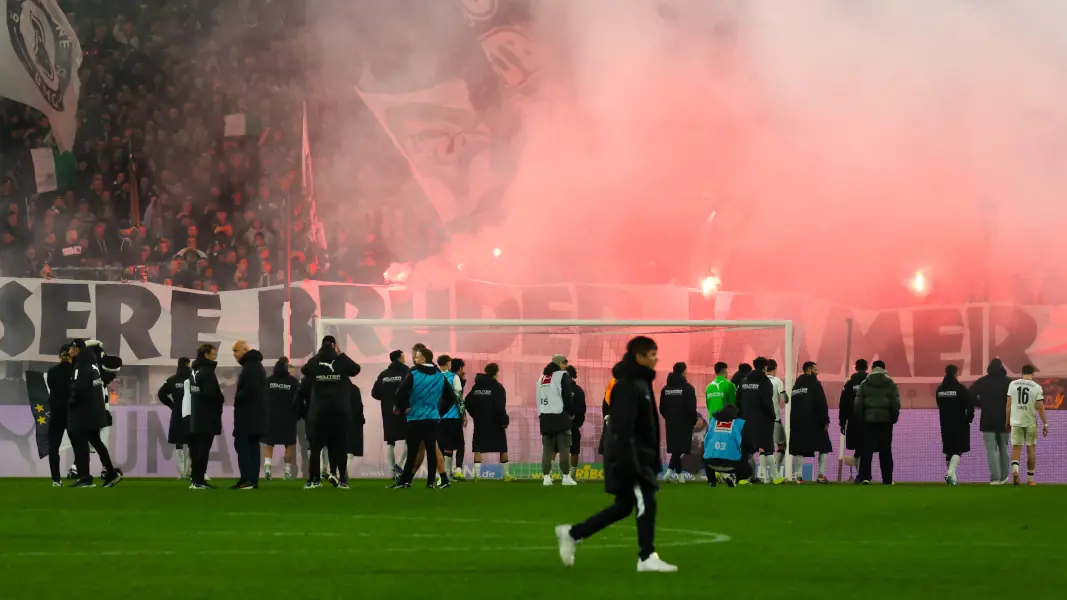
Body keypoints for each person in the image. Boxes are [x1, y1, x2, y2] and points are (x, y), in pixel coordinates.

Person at [555, 336, 677, 573]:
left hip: (639, 457)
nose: (656, 358)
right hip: (631, 458)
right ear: (640, 357)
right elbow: (622, 429)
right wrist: (632, 462)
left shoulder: (641, 383)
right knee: (646, 501)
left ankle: (572, 533)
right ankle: (646, 556)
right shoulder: (626, 385)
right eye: (652, 354)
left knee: (624, 506)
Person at [301, 335, 360, 489]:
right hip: (340, 411)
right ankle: (343, 481)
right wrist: (342, 355)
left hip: (320, 412)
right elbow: (356, 369)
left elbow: (305, 370)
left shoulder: (314, 362)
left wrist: (318, 358)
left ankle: (314, 480)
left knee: (316, 447)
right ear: (335, 346)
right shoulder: (341, 361)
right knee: (340, 447)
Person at [392, 347, 455, 489]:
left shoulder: (414, 374)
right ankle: (430, 482)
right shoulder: (440, 376)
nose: (415, 359)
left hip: (415, 417)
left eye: (418, 357)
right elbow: (451, 398)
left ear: (424, 359)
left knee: (413, 451)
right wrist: (440, 412)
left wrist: (403, 408)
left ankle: (405, 481)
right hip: (432, 418)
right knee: (431, 450)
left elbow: (399, 393)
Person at [68, 339, 123, 488]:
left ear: (78, 349)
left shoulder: (81, 365)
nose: (69, 351)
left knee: (79, 441)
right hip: (95, 410)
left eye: (71, 348)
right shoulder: (93, 365)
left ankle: (85, 476)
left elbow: (78, 389)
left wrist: (68, 403)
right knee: (95, 441)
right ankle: (111, 473)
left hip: (83, 411)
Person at [854, 360, 900, 485]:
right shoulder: (890, 383)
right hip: (886, 421)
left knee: (866, 450)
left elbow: (858, 403)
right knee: (885, 450)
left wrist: (861, 419)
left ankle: (865, 477)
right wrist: (894, 418)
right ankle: (887, 480)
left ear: (872, 368)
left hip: (869, 420)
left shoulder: (865, 383)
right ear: (884, 369)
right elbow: (895, 402)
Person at [969, 358, 1013, 485]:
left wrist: (981, 404)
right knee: (1004, 449)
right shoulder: (1009, 382)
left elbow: (970, 394)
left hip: (987, 419)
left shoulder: (983, 381)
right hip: (1005, 420)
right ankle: (1004, 478)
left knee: (991, 450)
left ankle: (995, 478)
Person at [467, 363, 512, 480]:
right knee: (502, 448)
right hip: (495, 423)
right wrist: (504, 421)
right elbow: (500, 407)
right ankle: (506, 475)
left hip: (480, 423)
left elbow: (467, 402)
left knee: (478, 448)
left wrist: (475, 415)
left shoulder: (476, 387)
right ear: (496, 373)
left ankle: (477, 476)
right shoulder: (498, 388)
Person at [788, 362, 832, 484]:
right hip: (815, 421)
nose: (817, 372)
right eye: (815, 369)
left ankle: (798, 477)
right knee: (824, 447)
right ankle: (821, 475)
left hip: (797, 422)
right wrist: (825, 420)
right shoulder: (815, 384)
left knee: (799, 449)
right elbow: (821, 403)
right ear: (809, 370)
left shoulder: (796, 386)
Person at [232, 340, 267, 489]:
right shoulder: (255, 364)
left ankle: (247, 479)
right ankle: (250, 479)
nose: (234, 354)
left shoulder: (251, 366)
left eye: (236, 351)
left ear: (245, 350)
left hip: (248, 414)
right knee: (252, 446)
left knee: (243, 445)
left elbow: (250, 389)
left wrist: (238, 398)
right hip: (255, 414)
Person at [1006, 365, 1048, 486]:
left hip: (1016, 421)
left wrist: (1007, 421)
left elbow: (1008, 404)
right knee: (1031, 448)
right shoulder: (1037, 387)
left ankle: (1015, 471)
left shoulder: (1013, 384)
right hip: (1030, 421)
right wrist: (1045, 423)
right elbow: (1040, 406)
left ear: (1022, 373)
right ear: (1033, 373)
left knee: (1017, 448)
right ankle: (1030, 479)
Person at [537, 354, 576, 486]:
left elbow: (538, 397)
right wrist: (570, 413)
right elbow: (567, 396)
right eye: (564, 363)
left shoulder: (541, 378)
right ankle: (565, 477)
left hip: (545, 416)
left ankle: (546, 478)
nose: (566, 366)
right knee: (564, 446)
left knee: (547, 449)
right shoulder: (562, 376)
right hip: (560, 415)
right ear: (558, 364)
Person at [188, 344, 224, 490]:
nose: (215, 356)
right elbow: (211, 394)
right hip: (207, 416)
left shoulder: (194, 371)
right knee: (203, 450)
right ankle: (199, 481)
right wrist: (220, 398)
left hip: (196, 415)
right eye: (213, 353)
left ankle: (195, 480)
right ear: (206, 355)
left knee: (196, 450)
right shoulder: (208, 372)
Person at [371, 350, 409, 480]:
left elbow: (374, 393)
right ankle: (399, 464)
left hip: (387, 412)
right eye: (403, 356)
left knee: (390, 441)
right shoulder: (406, 372)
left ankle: (393, 472)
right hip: (405, 410)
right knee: (410, 438)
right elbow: (411, 389)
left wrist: (387, 399)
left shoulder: (384, 374)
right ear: (399, 358)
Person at [739, 357, 777, 483]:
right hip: (762, 421)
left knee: (746, 449)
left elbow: (738, 400)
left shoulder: (744, 381)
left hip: (745, 420)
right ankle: (773, 478)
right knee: (766, 447)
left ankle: (745, 477)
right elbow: (767, 403)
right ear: (765, 367)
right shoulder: (765, 382)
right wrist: (772, 416)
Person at [660, 362, 698, 483]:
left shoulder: (665, 389)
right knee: (680, 448)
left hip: (671, 423)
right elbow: (691, 408)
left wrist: (669, 417)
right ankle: (671, 473)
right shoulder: (688, 388)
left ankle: (677, 474)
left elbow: (662, 408)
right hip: (685, 423)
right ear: (683, 371)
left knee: (676, 448)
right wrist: (693, 421)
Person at [936, 364, 973, 486]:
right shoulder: (961, 389)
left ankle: (952, 480)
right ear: (956, 374)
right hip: (959, 422)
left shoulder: (940, 390)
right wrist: (968, 419)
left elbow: (939, 405)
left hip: (945, 423)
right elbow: (969, 406)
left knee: (949, 450)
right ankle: (950, 472)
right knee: (958, 449)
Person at [263, 357, 299, 481]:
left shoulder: (268, 381)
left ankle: (267, 468)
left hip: (271, 417)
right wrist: (297, 414)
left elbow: (262, 398)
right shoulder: (293, 382)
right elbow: (298, 399)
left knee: (269, 443)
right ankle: (287, 472)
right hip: (288, 417)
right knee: (289, 445)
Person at [703, 402, 754, 487]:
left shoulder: (713, 421)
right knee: (748, 471)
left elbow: (706, 439)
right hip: (732, 463)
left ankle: (711, 481)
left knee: (705, 455)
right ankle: (734, 477)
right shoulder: (740, 423)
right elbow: (748, 443)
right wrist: (750, 451)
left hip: (710, 462)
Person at [157, 357, 192, 480]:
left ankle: (181, 472)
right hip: (191, 413)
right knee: (193, 442)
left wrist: (172, 405)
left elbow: (161, 394)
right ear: (188, 364)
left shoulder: (172, 380)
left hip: (177, 414)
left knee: (179, 442)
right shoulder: (193, 379)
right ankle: (191, 471)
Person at [45, 344, 75, 486]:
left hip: (56, 411)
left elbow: (52, 388)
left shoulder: (52, 371)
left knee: (53, 446)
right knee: (79, 445)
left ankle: (56, 479)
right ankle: (83, 475)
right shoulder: (75, 372)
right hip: (72, 412)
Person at [437, 355, 465, 483]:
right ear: (448, 364)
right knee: (459, 444)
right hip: (453, 416)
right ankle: (457, 470)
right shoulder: (454, 377)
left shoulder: (435, 377)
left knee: (442, 445)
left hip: (439, 416)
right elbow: (459, 397)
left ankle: (442, 475)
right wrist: (463, 414)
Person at [839, 359, 869, 479]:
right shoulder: (871, 383)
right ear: (867, 368)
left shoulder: (849, 384)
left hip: (853, 421)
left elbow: (843, 404)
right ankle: (863, 475)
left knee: (858, 448)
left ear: (855, 368)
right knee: (866, 448)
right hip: (869, 421)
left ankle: (860, 474)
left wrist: (842, 423)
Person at [766, 359, 788, 479]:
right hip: (775, 418)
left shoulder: (760, 381)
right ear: (775, 368)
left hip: (761, 419)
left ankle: (764, 475)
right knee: (781, 445)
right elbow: (785, 399)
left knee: (764, 447)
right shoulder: (777, 381)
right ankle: (775, 474)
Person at [567, 365, 587, 481]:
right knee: (574, 450)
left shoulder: (558, 389)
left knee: (555, 448)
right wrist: (576, 423)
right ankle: (572, 476)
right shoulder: (578, 390)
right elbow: (581, 410)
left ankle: (549, 475)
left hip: (559, 425)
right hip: (573, 425)